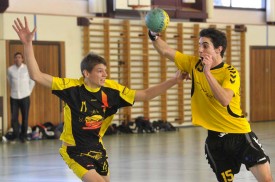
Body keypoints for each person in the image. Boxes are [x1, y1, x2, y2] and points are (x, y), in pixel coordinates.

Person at [12, 17, 188, 182]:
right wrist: (28, 44)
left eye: (105, 70)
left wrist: (173, 80)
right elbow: (36, 75)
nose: (105, 74)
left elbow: (146, 95)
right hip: (74, 150)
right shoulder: (71, 89)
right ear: (86, 73)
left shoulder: (112, 91)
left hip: (97, 148)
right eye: (99, 71)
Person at [148, 29, 273, 182]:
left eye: (205, 46)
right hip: (215, 141)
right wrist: (153, 35)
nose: (200, 49)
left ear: (218, 49)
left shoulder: (230, 73)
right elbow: (166, 51)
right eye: (199, 45)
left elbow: (225, 99)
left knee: (266, 180)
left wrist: (207, 73)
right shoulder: (193, 64)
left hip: (240, 135)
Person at [7, 51, 35, 142]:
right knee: (14, 117)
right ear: (14, 59)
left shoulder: (27, 69)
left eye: (19, 57)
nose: (18, 59)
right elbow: (9, 81)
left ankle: (23, 136)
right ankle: (15, 135)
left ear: (22, 59)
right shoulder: (10, 69)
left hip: (25, 96)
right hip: (14, 96)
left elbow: (32, 81)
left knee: (25, 117)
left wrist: (28, 92)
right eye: (16, 57)